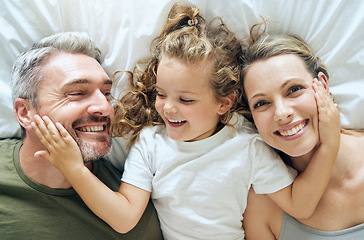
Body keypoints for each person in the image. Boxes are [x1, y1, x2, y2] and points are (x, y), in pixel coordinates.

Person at [31, 4, 339, 240]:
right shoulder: (151, 144)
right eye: (162, 94)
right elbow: (124, 218)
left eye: (186, 100)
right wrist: (73, 168)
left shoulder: (247, 145)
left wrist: (329, 144)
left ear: (224, 103)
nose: (168, 109)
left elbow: (300, 205)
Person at [0, 32, 162, 240]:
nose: (104, 107)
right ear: (25, 112)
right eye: (77, 93)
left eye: (106, 93)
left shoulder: (133, 209)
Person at [240, 33, 363, 239]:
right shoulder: (262, 206)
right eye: (261, 103)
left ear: (322, 85)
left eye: (294, 89)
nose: (281, 113)